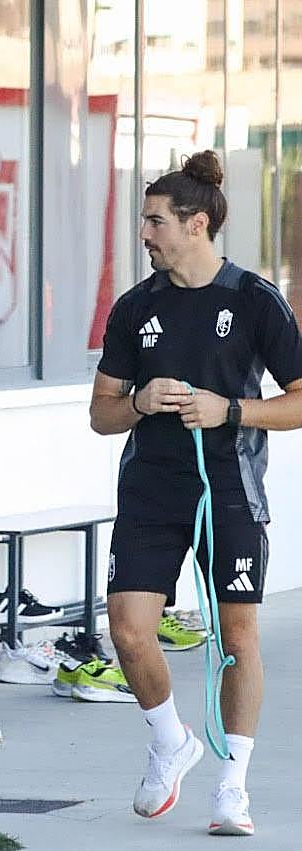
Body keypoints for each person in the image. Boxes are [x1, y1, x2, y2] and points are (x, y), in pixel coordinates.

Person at [90, 150, 302, 837]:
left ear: (196, 223)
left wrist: (229, 410)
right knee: (128, 630)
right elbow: (100, 414)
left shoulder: (254, 299)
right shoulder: (136, 307)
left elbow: (299, 399)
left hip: (230, 490)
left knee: (237, 635)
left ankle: (232, 785)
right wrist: (139, 401)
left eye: (155, 221)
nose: (143, 234)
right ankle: (170, 740)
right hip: (150, 489)